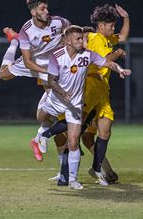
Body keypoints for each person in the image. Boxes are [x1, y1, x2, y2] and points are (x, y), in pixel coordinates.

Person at [36, 25, 131, 189]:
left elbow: (107, 63)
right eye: (79, 39)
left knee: (73, 141)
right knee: (41, 118)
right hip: (56, 100)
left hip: (75, 105)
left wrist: (120, 69)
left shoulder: (87, 55)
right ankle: (41, 135)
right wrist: (61, 91)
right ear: (68, 41)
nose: (83, 41)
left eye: (83, 38)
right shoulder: (56, 56)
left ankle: (72, 180)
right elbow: (51, 81)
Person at [0, 0, 70, 160]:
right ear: (33, 12)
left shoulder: (59, 21)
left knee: (55, 108)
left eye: (47, 7)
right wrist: (46, 72)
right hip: (32, 62)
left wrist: (65, 40)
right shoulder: (27, 31)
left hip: (50, 65)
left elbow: (69, 30)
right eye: (42, 8)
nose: (46, 11)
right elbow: (29, 62)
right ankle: (14, 41)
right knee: (3, 74)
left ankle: (40, 138)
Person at [84, 4, 129, 186]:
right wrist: (118, 53)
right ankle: (67, 172)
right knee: (77, 132)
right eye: (110, 25)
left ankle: (98, 168)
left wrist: (126, 17)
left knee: (104, 130)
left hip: (102, 91)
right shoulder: (96, 38)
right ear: (101, 25)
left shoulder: (106, 38)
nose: (113, 29)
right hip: (90, 87)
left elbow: (123, 36)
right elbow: (105, 61)